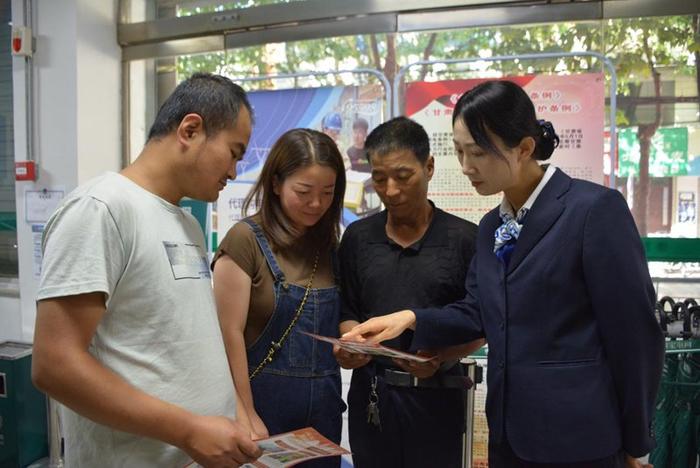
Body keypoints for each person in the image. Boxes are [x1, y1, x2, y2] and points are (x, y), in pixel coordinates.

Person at [344, 80, 665, 468]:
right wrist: (409, 319)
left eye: (477, 152)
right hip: (508, 437)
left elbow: (635, 336)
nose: (465, 166)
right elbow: (477, 310)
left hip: (581, 439)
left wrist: (634, 442)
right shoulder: (490, 226)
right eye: (460, 151)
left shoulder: (592, 210)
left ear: (525, 148)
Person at [32, 73, 262, 467]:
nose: (235, 171)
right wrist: (188, 430)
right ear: (190, 129)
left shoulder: (186, 221)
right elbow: (55, 365)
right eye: (234, 152)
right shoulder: (101, 209)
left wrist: (237, 416)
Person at [336, 116, 483, 468]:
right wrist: (351, 343)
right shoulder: (358, 238)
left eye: (403, 177)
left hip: (438, 400)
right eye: (379, 178)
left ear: (429, 167)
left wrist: (443, 356)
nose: (391, 190)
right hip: (372, 398)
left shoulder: (464, 239)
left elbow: (482, 321)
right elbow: (346, 308)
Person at [212, 128, 347, 467]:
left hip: (322, 420)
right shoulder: (245, 240)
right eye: (303, 191)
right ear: (275, 184)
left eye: (327, 193)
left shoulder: (331, 247)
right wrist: (245, 413)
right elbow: (228, 334)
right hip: (261, 413)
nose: (316, 204)